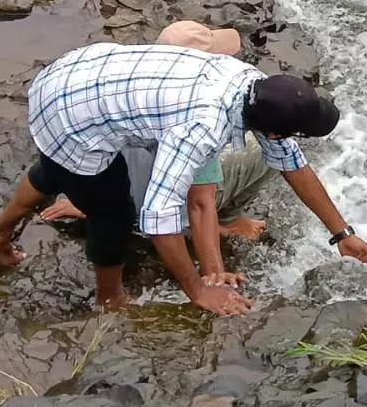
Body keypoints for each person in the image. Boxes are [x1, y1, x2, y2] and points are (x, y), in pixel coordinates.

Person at [0, 41, 367, 315]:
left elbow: (292, 162)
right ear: (271, 127)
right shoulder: (202, 127)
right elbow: (159, 217)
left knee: (58, 166)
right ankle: (109, 300)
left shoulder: (252, 85)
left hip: (75, 74)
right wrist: (199, 290)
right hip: (71, 109)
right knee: (111, 211)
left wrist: (342, 234)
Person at [39, 21, 275, 287]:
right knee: (260, 143)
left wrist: (82, 199)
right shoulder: (198, 112)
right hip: (163, 212)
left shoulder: (127, 85)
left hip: (118, 194)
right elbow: (199, 202)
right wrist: (213, 274)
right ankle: (228, 222)